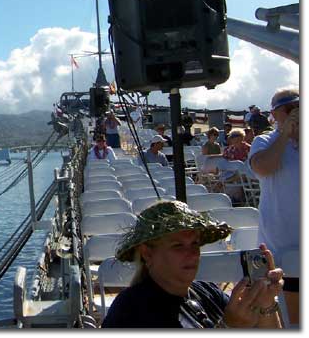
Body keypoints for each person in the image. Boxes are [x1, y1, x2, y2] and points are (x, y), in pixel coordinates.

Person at [102, 201, 284, 328]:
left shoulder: (207, 292)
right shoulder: (131, 310)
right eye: (178, 246)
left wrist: (266, 304)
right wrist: (229, 327)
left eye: (195, 244)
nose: (191, 254)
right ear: (147, 253)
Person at [248, 87, 299, 326]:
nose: (294, 114)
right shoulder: (265, 140)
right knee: (291, 321)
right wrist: (285, 134)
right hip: (279, 247)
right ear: (274, 114)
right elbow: (263, 167)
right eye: (287, 110)